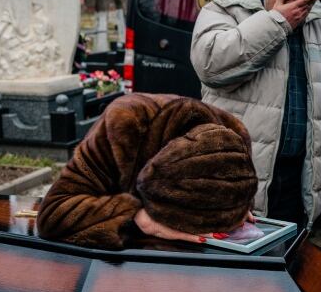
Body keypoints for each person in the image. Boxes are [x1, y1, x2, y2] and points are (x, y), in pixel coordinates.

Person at [190, 0, 321, 227]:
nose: (294, 7)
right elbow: (210, 66)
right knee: (236, 267)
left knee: (289, 261)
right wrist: (277, 23)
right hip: (235, 173)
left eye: (305, 1)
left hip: (298, 177)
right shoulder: (226, 8)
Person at [37, 93, 258, 249]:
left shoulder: (233, 132)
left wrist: (234, 205)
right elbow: (53, 214)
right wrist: (136, 217)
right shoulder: (122, 124)